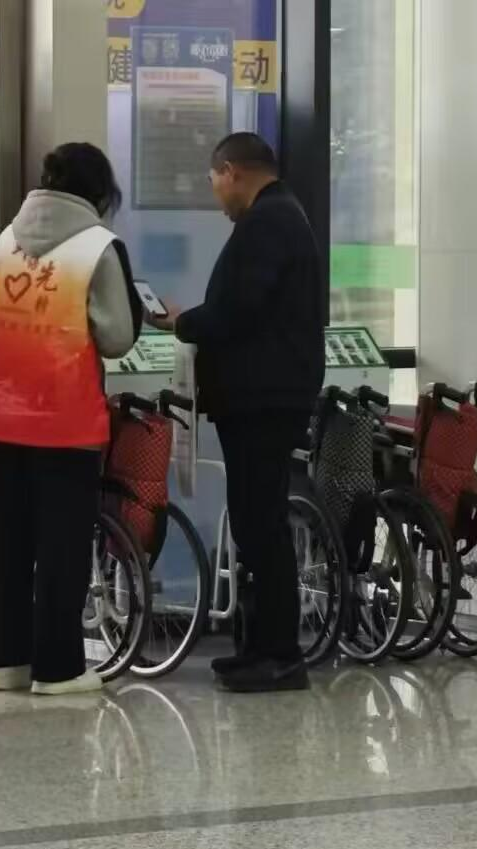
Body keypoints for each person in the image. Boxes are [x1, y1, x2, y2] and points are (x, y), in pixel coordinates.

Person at [152, 132, 326, 692]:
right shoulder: (282, 215)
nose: (216, 197)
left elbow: (237, 311)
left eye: (214, 183)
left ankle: (280, 655)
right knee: (255, 522)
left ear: (231, 171)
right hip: (267, 394)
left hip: (263, 398)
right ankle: (259, 648)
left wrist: (182, 321)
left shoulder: (267, 222)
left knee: (261, 523)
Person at [0, 143, 142, 695]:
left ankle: (6, 662)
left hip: (2, 414)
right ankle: (58, 668)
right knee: (61, 545)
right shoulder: (98, 246)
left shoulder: (6, 238)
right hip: (64, 418)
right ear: (100, 192)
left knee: (6, 542)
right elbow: (116, 336)